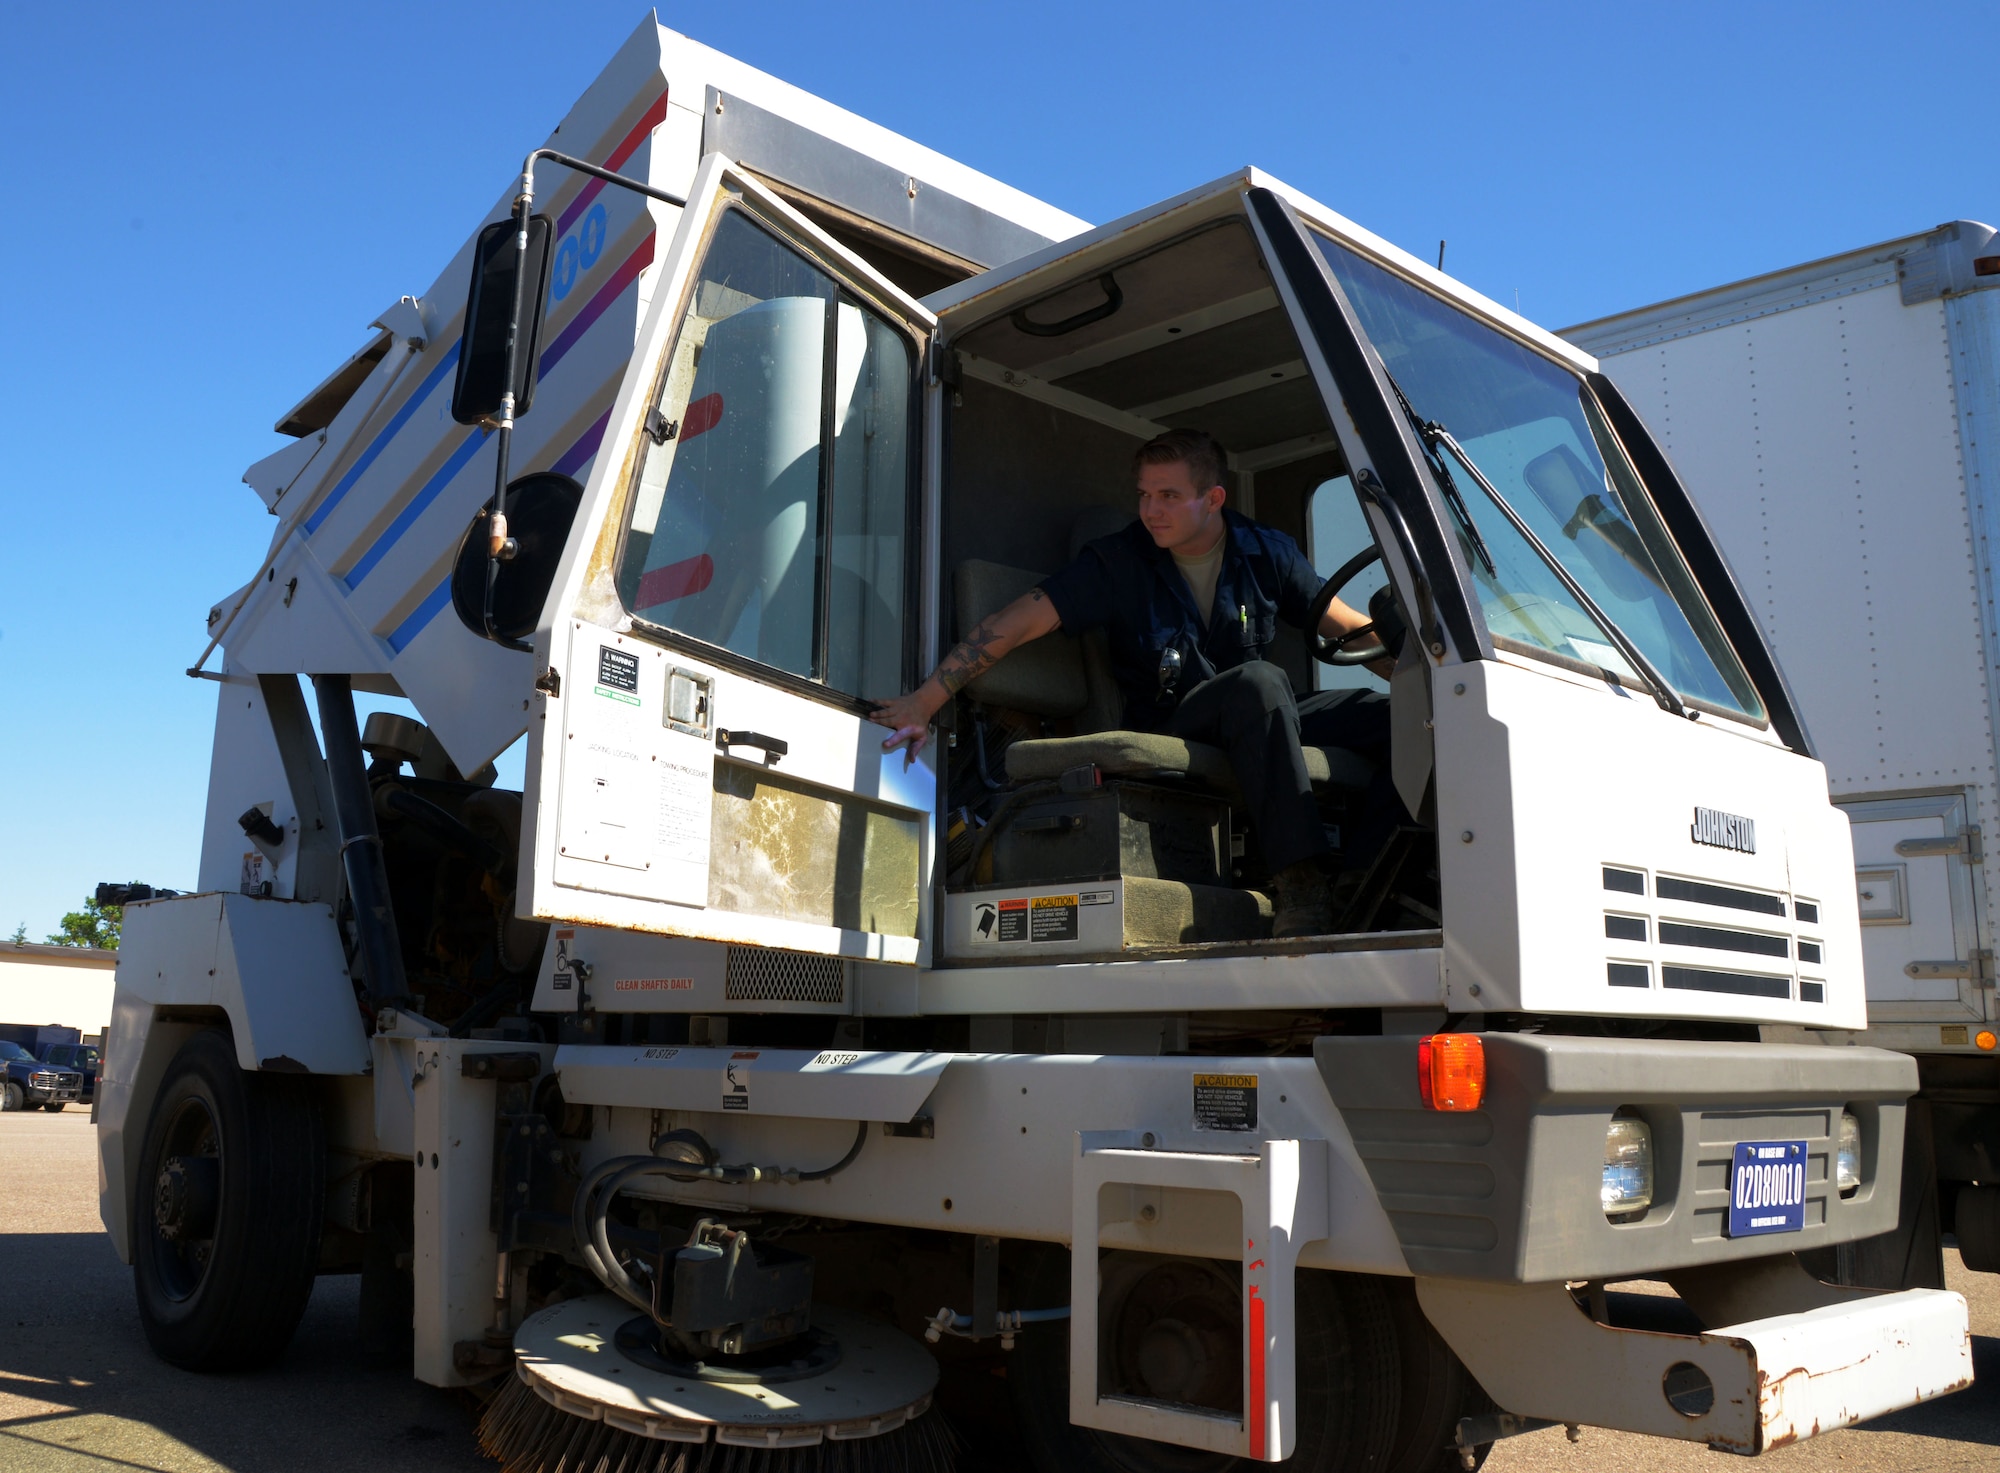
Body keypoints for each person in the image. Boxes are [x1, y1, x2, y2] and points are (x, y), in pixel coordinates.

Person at [871, 428, 1398, 937]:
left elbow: (1349, 631)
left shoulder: (1265, 552)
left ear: (1212, 498)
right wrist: (926, 699)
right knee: (1260, 680)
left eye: (1169, 496)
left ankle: (1363, 882)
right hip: (1178, 721)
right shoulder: (1119, 561)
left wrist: (1432, 680)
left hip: (1260, 715)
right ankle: (1301, 886)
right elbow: (1017, 622)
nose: (1151, 510)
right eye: (1144, 495)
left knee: (1402, 718)